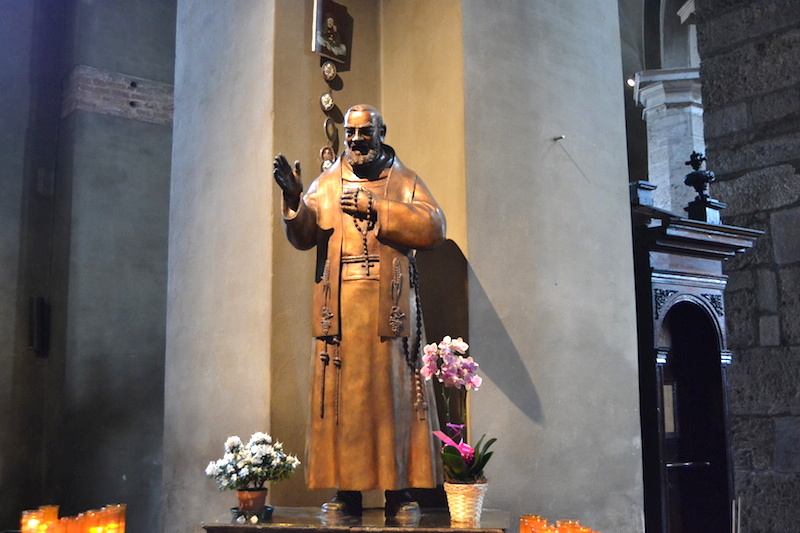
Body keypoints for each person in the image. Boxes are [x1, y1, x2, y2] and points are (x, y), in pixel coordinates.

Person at [273, 105, 445, 519]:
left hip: (389, 310)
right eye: (350, 134)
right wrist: (295, 200)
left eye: (364, 133)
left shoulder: (405, 181)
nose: (354, 141)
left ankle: (399, 492)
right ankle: (345, 492)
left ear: (382, 131)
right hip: (340, 311)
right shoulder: (327, 183)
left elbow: (434, 227)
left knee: (393, 401)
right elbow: (304, 235)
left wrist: (378, 208)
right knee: (341, 403)